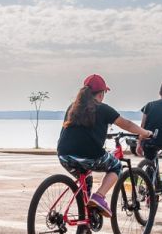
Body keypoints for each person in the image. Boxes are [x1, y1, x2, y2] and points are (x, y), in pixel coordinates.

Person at [56, 74, 151, 217]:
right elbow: (127, 124)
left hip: (64, 155)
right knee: (116, 166)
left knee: (86, 179)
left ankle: (86, 216)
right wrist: (145, 133)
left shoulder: (73, 107)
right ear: (101, 94)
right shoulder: (103, 109)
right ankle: (99, 196)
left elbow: (74, 130)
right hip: (90, 156)